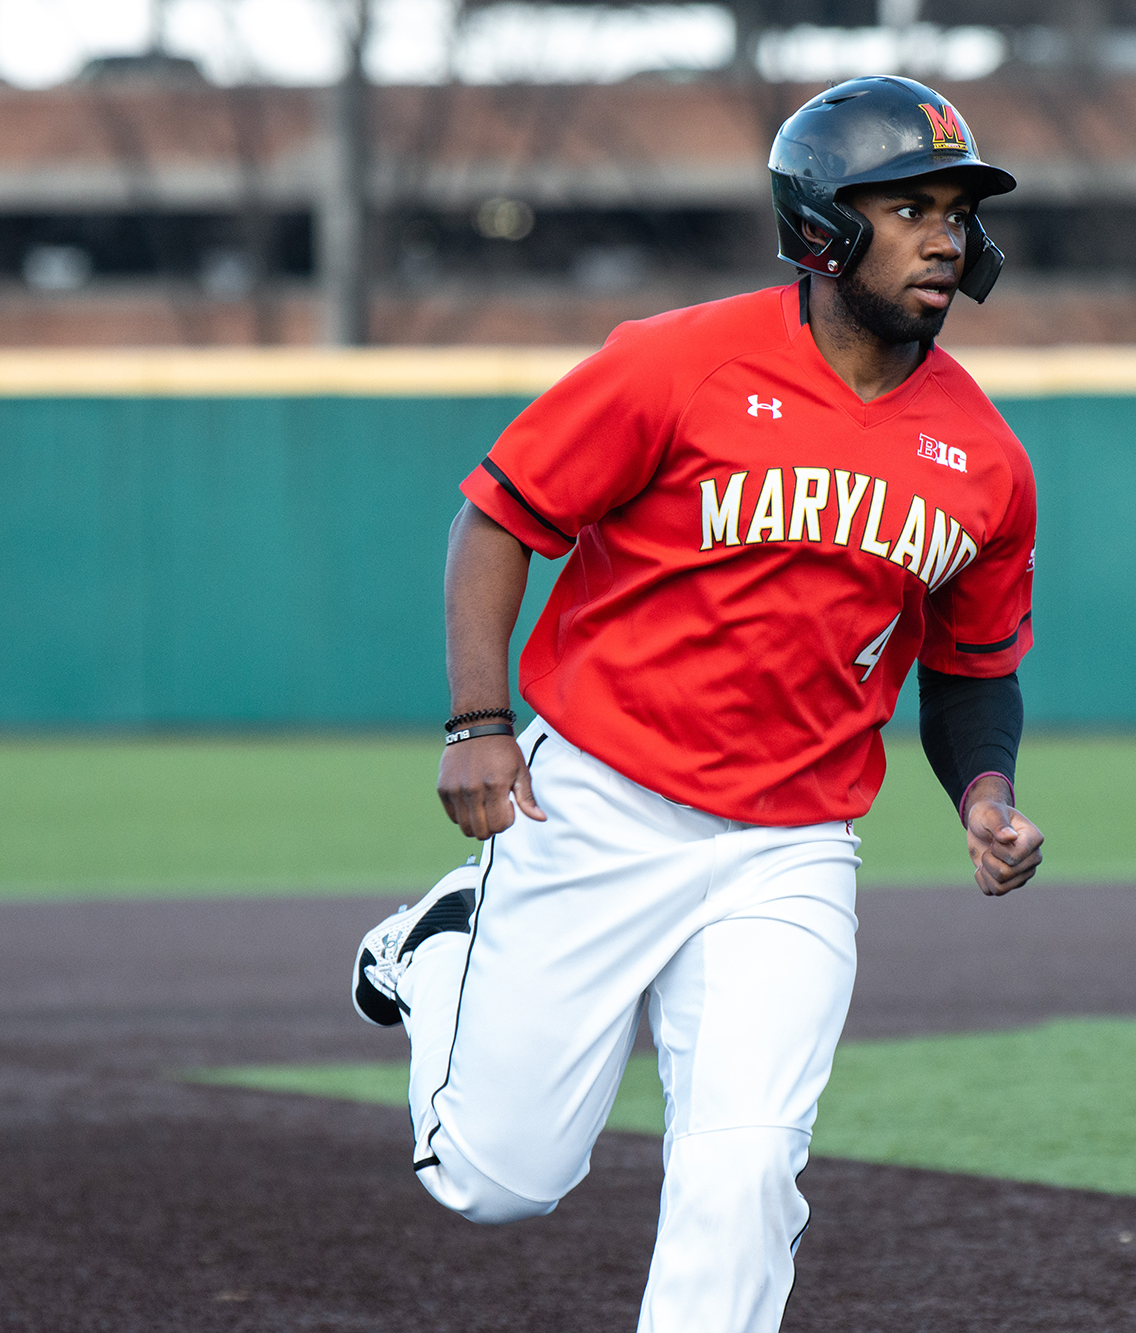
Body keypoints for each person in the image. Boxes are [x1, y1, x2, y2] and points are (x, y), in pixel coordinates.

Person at [349, 76, 1045, 1332]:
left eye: (958, 211)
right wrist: (476, 722)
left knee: (742, 1174)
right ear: (824, 226)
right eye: (908, 206)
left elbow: (972, 665)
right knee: (497, 1178)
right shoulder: (677, 363)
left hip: (791, 848)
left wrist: (983, 794)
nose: (946, 235)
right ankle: (438, 943)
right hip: (597, 801)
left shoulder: (985, 461)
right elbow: (499, 516)